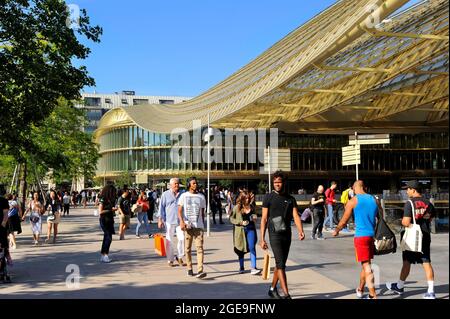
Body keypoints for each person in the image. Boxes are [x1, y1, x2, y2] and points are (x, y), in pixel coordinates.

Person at [386, 180, 437, 299]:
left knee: (407, 262)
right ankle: (431, 291)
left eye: (408, 189)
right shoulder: (428, 203)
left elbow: (406, 222)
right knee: (426, 262)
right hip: (424, 235)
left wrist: (403, 222)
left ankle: (400, 286)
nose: (406, 191)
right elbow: (430, 217)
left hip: (411, 237)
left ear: (413, 190)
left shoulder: (409, 203)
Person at [260, 171, 305, 299]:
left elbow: (296, 215)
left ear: (284, 183)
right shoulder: (268, 197)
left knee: (281, 265)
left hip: (287, 234)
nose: (277, 184)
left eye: (279, 182)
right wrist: (262, 239)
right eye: (275, 182)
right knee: (280, 264)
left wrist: (300, 230)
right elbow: (263, 219)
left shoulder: (290, 199)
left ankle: (272, 289)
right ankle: (286, 294)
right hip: (274, 234)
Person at [333, 180, 378, 299]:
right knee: (366, 263)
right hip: (371, 236)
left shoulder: (353, 201)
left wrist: (337, 230)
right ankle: (360, 289)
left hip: (360, 236)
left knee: (367, 266)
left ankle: (373, 294)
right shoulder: (374, 199)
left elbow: (344, 220)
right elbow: (381, 217)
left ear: (353, 188)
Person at [178, 177, 207, 279]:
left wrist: (202, 224)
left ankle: (200, 269)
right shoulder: (184, 196)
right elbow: (179, 210)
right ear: (189, 185)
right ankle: (189, 268)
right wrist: (181, 222)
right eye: (193, 183)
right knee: (187, 249)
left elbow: (202, 213)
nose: (196, 185)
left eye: (196, 183)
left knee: (200, 248)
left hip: (198, 226)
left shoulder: (201, 197)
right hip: (188, 226)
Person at [230, 190, 261, 275]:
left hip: (251, 229)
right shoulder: (237, 207)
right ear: (242, 198)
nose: (247, 200)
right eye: (246, 198)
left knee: (252, 247)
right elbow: (231, 219)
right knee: (241, 249)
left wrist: (255, 217)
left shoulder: (252, 206)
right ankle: (241, 267)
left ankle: (253, 268)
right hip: (240, 231)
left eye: (248, 198)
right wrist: (240, 222)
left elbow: (255, 215)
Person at [159, 178, 186, 267]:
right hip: (169, 220)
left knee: (182, 239)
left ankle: (179, 257)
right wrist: (160, 219)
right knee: (169, 240)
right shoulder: (165, 194)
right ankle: (170, 259)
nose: (177, 185)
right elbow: (161, 208)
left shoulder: (183, 194)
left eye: (178, 184)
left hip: (180, 220)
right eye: (175, 184)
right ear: (170, 185)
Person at [98, 184, 118, 263]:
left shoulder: (110, 200)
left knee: (107, 237)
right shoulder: (103, 199)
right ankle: (105, 254)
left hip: (109, 219)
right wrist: (111, 210)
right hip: (104, 219)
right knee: (108, 237)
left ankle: (104, 254)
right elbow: (100, 211)